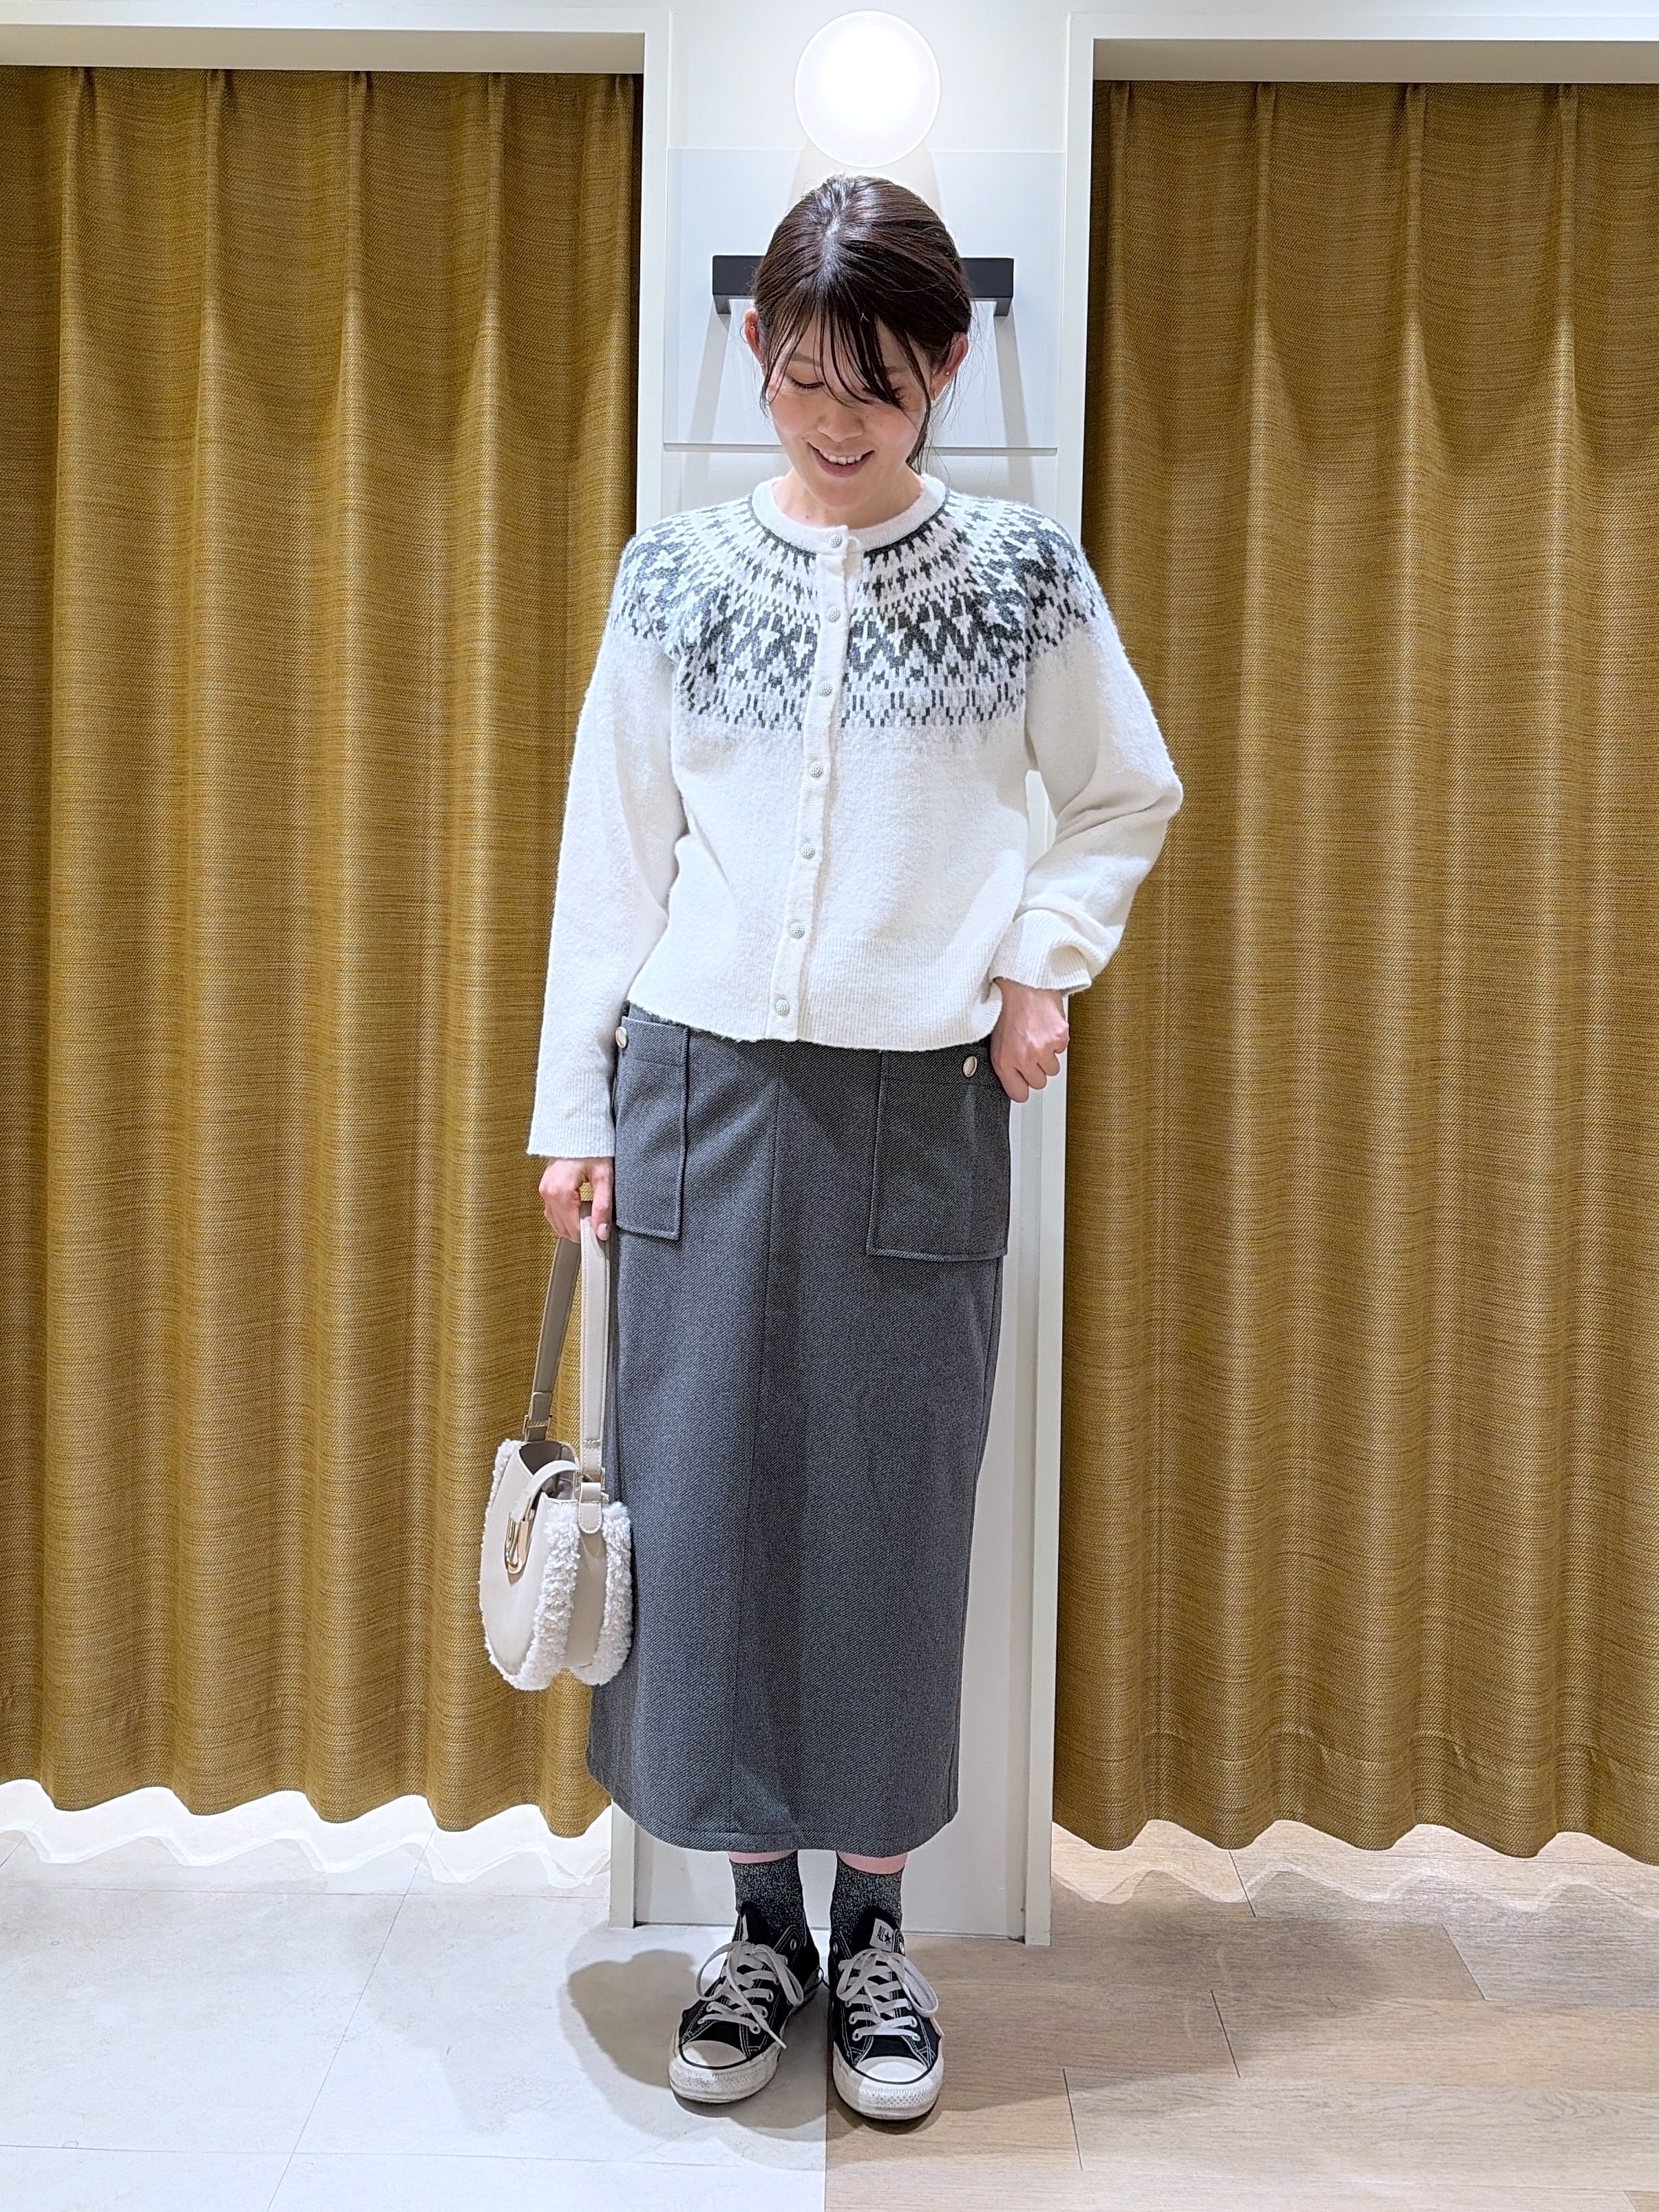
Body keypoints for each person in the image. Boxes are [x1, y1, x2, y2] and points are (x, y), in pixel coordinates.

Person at [528, 173, 1182, 2123]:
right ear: (757, 350)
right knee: (707, 1516)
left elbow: (1124, 796)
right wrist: (574, 1111)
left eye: (877, 385)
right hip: (700, 1096)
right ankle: (757, 1938)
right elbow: (610, 854)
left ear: (947, 366)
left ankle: (877, 1938)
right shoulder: (673, 576)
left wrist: (1039, 966)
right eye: (806, 376)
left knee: (891, 1526)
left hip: (916, 1109)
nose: (836, 418)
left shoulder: (1021, 578)